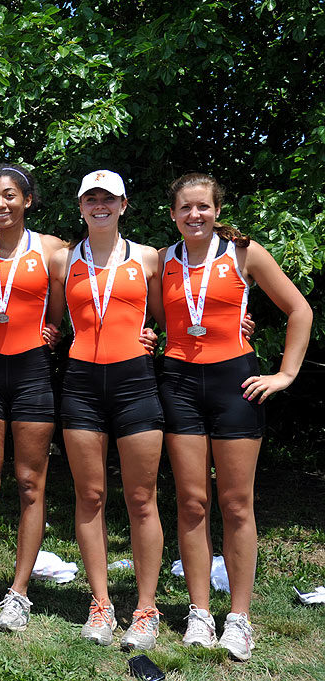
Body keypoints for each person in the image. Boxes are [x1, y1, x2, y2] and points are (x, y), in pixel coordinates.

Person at [159, 173, 311, 661]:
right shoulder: (163, 260)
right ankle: (200, 611)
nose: (194, 215)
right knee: (191, 501)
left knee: (237, 503)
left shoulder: (245, 254)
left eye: (203, 207)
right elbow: (160, 321)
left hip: (235, 385)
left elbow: (299, 310)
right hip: (180, 383)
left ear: (217, 210)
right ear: (173, 214)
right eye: (185, 208)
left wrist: (285, 374)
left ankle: (239, 618)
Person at [47, 170, 165, 650]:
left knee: (142, 499)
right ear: (80, 206)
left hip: (135, 381)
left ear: (123, 204)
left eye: (108, 198)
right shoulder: (62, 260)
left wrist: (160, 336)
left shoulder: (148, 257)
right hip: (81, 383)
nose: (100, 205)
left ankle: (146, 608)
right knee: (89, 496)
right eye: (90, 198)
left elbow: (168, 315)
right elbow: (51, 321)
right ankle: (100, 603)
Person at [0, 164, 65, 631]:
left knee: (29, 483)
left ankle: (19, 592)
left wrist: (55, 331)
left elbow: (65, 311)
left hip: (31, 370)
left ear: (27, 199)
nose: (0, 204)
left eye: (9, 196)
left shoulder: (52, 250)